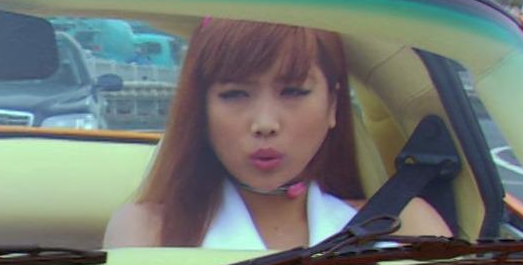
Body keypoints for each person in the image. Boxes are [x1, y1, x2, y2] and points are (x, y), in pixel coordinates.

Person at [104, 18, 447, 250]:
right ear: (200, 109)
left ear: (333, 105)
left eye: (294, 92)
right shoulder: (148, 232)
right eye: (235, 94)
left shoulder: (406, 226)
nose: (265, 123)